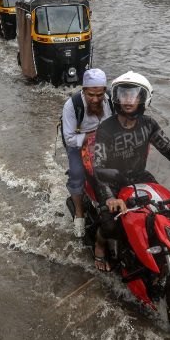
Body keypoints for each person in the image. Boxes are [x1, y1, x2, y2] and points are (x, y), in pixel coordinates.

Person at [91, 71, 170, 271]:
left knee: (169, 211)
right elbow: (99, 165)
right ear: (116, 98)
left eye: (133, 95)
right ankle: (100, 246)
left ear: (143, 98)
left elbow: (169, 150)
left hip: (140, 176)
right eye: (123, 95)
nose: (128, 100)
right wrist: (109, 197)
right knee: (110, 223)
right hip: (111, 180)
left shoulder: (148, 124)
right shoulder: (106, 128)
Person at [62, 69, 113, 239]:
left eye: (100, 94)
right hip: (78, 141)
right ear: (83, 90)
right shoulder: (72, 105)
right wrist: (90, 137)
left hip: (104, 141)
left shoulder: (111, 101)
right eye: (91, 94)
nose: (96, 99)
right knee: (77, 173)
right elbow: (69, 138)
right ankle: (79, 212)